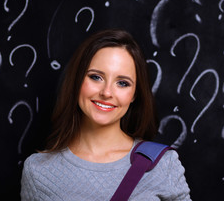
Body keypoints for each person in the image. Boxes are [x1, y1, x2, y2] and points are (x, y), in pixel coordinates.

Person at [21, 29, 191, 200]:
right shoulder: (38, 171)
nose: (107, 92)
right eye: (96, 77)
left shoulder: (163, 164)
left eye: (122, 83)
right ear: (77, 80)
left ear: (134, 95)